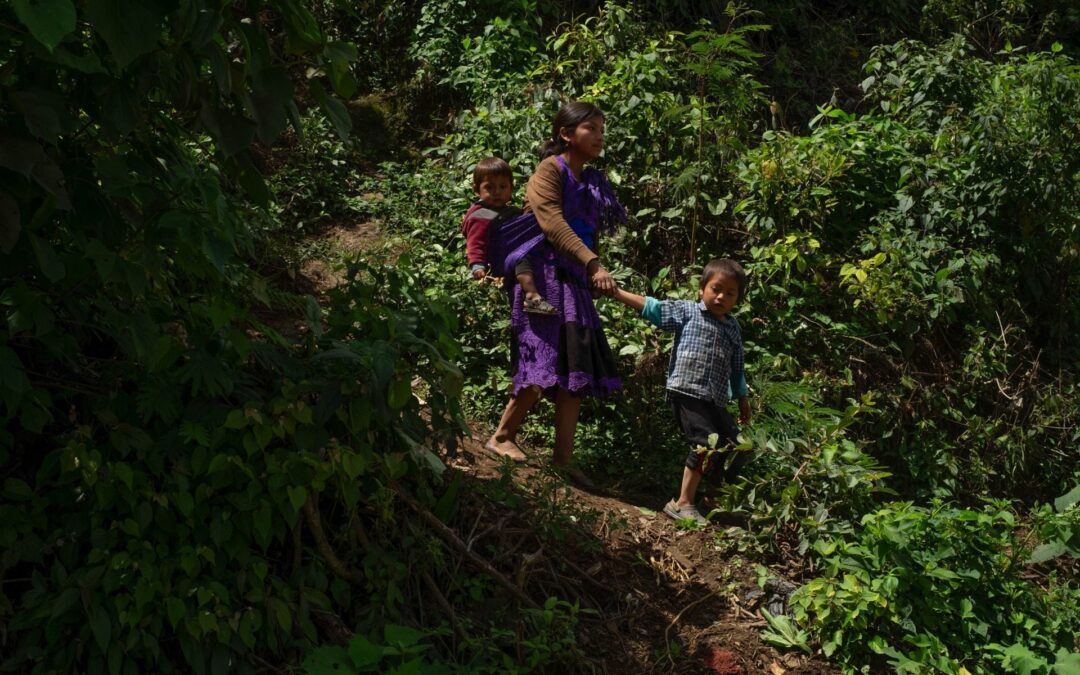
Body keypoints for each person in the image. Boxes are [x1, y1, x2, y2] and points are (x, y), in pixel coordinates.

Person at [484, 102, 626, 486]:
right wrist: (593, 263)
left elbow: (588, 231)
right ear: (566, 134)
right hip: (542, 277)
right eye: (590, 128)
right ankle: (502, 436)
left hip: (574, 282)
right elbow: (552, 223)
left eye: (601, 128)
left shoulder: (592, 180)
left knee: (573, 371)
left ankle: (563, 461)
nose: (599, 136)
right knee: (542, 361)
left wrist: (590, 274)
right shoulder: (549, 171)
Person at [609, 258, 751, 525]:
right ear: (701, 289)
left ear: (737, 299)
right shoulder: (687, 312)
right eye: (716, 289)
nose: (721, 297)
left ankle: (712, 501)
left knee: (737, 445)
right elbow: (652, 308)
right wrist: (616, 292)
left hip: (716, 398)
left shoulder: (733, 327)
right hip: (687, 391)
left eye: (730, 293)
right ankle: (682, 503)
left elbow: (737, 367)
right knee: (704, 443)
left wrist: (743, 399)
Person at [461, 157, 555, 315]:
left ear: (511, 188)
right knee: (521, 257)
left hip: (509, 254)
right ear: (477, 189)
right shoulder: (481, 214)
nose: (497, 192)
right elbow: (475, 241)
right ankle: (532, 296)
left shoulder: (508, 211)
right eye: (489, 187)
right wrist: (477, 264)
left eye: (503, 187)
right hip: (498, 259)